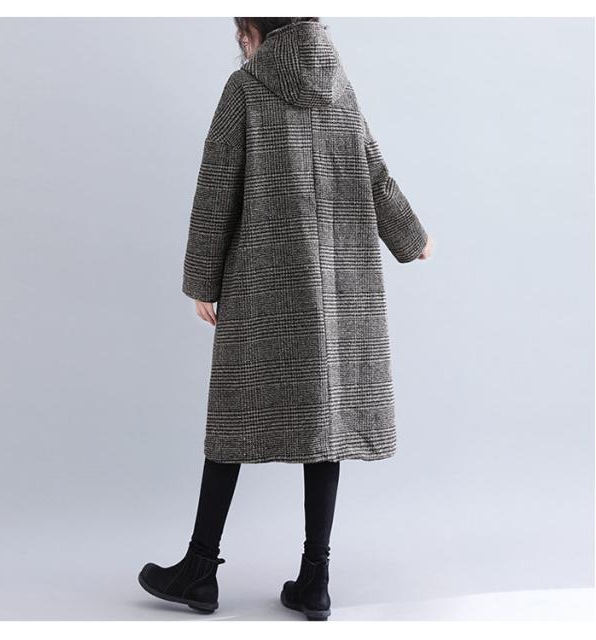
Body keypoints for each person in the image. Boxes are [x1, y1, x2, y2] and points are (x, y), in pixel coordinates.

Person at [138, 17, 433, 621]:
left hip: (262, 284)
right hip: (335, 289)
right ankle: (315, 580)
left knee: (234, 416)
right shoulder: (339, 88)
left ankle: (200, 569)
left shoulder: (245, 88)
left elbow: (216, 188)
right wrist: (413, 237)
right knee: (323, 423)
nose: (239, 43)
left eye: (239, 31)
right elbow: (374, 172)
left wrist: (203, 280)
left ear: (254, 28)